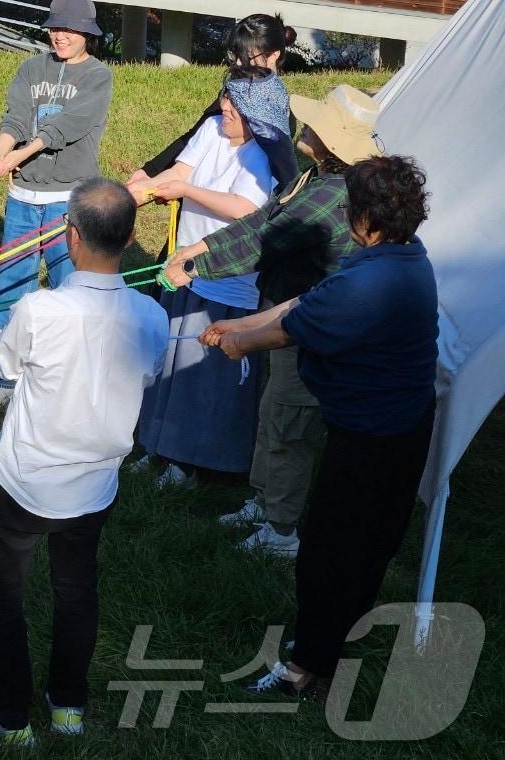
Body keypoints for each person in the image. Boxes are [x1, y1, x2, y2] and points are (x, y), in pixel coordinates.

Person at [202, 155, 437, 698]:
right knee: (364, 546)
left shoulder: (371, 282)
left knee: (329, 556)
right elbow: (304, 301)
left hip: (373, 439)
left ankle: (306, 669)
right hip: (393, 426)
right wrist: (239, 321)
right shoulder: (401, 257)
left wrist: (236, 340)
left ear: (368, 218)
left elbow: (292, 329)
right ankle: (338, 637)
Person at [0, 180, 168, 746]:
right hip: (95, 487)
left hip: (21, 483)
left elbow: (5, 359)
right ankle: (67, 706)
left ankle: (10, 720)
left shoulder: (39, 308)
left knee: (1, 595)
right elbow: (149, 371)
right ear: (129, 237)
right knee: (77, 591)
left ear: (70, 237)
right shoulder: (152, 316)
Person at [163, 86, 382, 555]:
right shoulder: (311, 180)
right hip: (283, 316)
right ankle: (263, 501)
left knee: (289, 424)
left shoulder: (332, 196)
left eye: (314, 122)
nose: (302, 125)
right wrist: (198, 248)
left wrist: (198, 265)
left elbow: (264, 242)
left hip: (308, 329)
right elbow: (262, 220)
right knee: (273, 412)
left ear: (328, 140)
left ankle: (281, 531)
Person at [131, 67, 282, 489]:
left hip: (227, 281)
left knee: (201, 374)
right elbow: (179, 172)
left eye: (234, 102)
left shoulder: (261, 154)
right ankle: (158, 447)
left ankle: (193, 464)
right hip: (187, 270)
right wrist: (133, 196)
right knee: (169, 365)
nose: (224, 107)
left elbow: (244, 210)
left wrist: (188, 192)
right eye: (225, 97)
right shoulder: (214, 128)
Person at [0, 0, 113, 407]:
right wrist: (2, 149)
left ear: (87, 35)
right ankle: (4, 378)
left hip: (67, 201)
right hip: (23, 197)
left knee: (67, 288)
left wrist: (20, 153)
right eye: (56, 28)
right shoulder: (31, 66)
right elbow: (16, 117)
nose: (61, 36)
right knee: (10, 287)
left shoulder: (98, 77)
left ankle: (62, 377)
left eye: (71, 30)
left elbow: (67, 127)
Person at [127, 14, 297, 188]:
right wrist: (150, 172)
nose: (238, 63)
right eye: (236, 54)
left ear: (274, 55)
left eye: (247, 56)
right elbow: (192, 137)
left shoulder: (282, 115)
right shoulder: (231, 93)